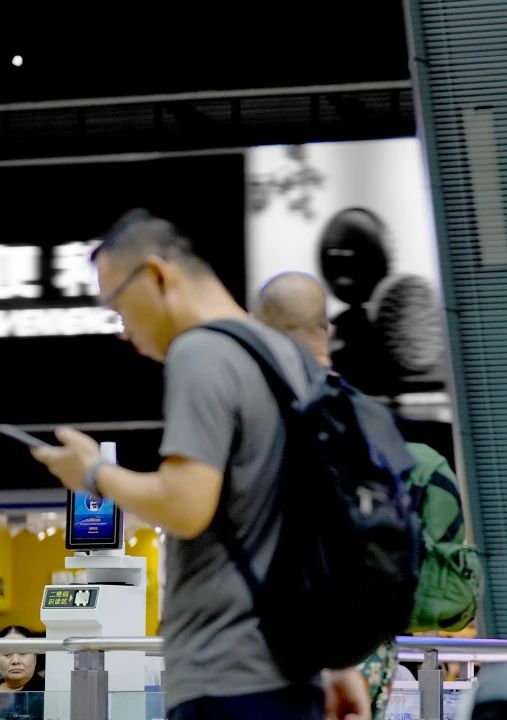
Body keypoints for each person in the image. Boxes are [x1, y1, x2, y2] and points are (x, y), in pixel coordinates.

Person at [31, 210, 370, 720]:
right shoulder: (288, 358)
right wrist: (339, 665)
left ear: (156, 275)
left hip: (224, 674)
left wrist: (93, 474)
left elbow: (186, 506)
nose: (123, 329)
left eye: (118, 304)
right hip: (294, 670)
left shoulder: (201, 352)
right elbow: (319, 523)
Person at [254, 271, 460, 720]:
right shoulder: (365, 416)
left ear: (261, 333)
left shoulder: (270, 412)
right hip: (369, 642)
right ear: (326, 330)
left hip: (285, 646)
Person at [0, 625, 45, 719]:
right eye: (7, 653)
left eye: (23, 652)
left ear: (35, 656)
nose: (15, 661)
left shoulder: (45, 693)